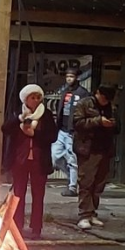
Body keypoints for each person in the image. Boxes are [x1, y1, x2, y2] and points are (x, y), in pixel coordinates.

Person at [2, 84, 57, 238]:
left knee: (38, 195)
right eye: (32, 97)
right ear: (25, 99)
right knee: (18, 194)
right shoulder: (17, 113)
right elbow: (5, 129)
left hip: (39, 161)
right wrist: (19, 120)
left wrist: (34, 134)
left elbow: (52, 136)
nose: (36, 100)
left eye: (38, 97)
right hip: (20, 160)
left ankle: (36, 228)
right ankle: (17, 225)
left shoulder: (45, 115)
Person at [73, 83, 118, 231]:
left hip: (104, 149)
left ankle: (92, 212)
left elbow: (118, 127)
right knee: (86, 181)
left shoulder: (111, 107)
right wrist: (98, 121)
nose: (105, 101)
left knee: (99, 184)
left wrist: (112, 124)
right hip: (88, 149)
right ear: (98, 93)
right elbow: (77, 123)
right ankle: (84, 214)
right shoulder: (84, 104)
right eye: (104, 98)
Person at [51, 69, 89, 197]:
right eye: (67, 76)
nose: (69, 79)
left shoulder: (83, 93)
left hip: (73, 131)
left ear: (77, 77)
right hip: (62, 129)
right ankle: (72, 178)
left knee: (73, 159)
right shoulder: (65, 91)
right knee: (54, 156)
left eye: (71, 76)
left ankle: (72, 186)